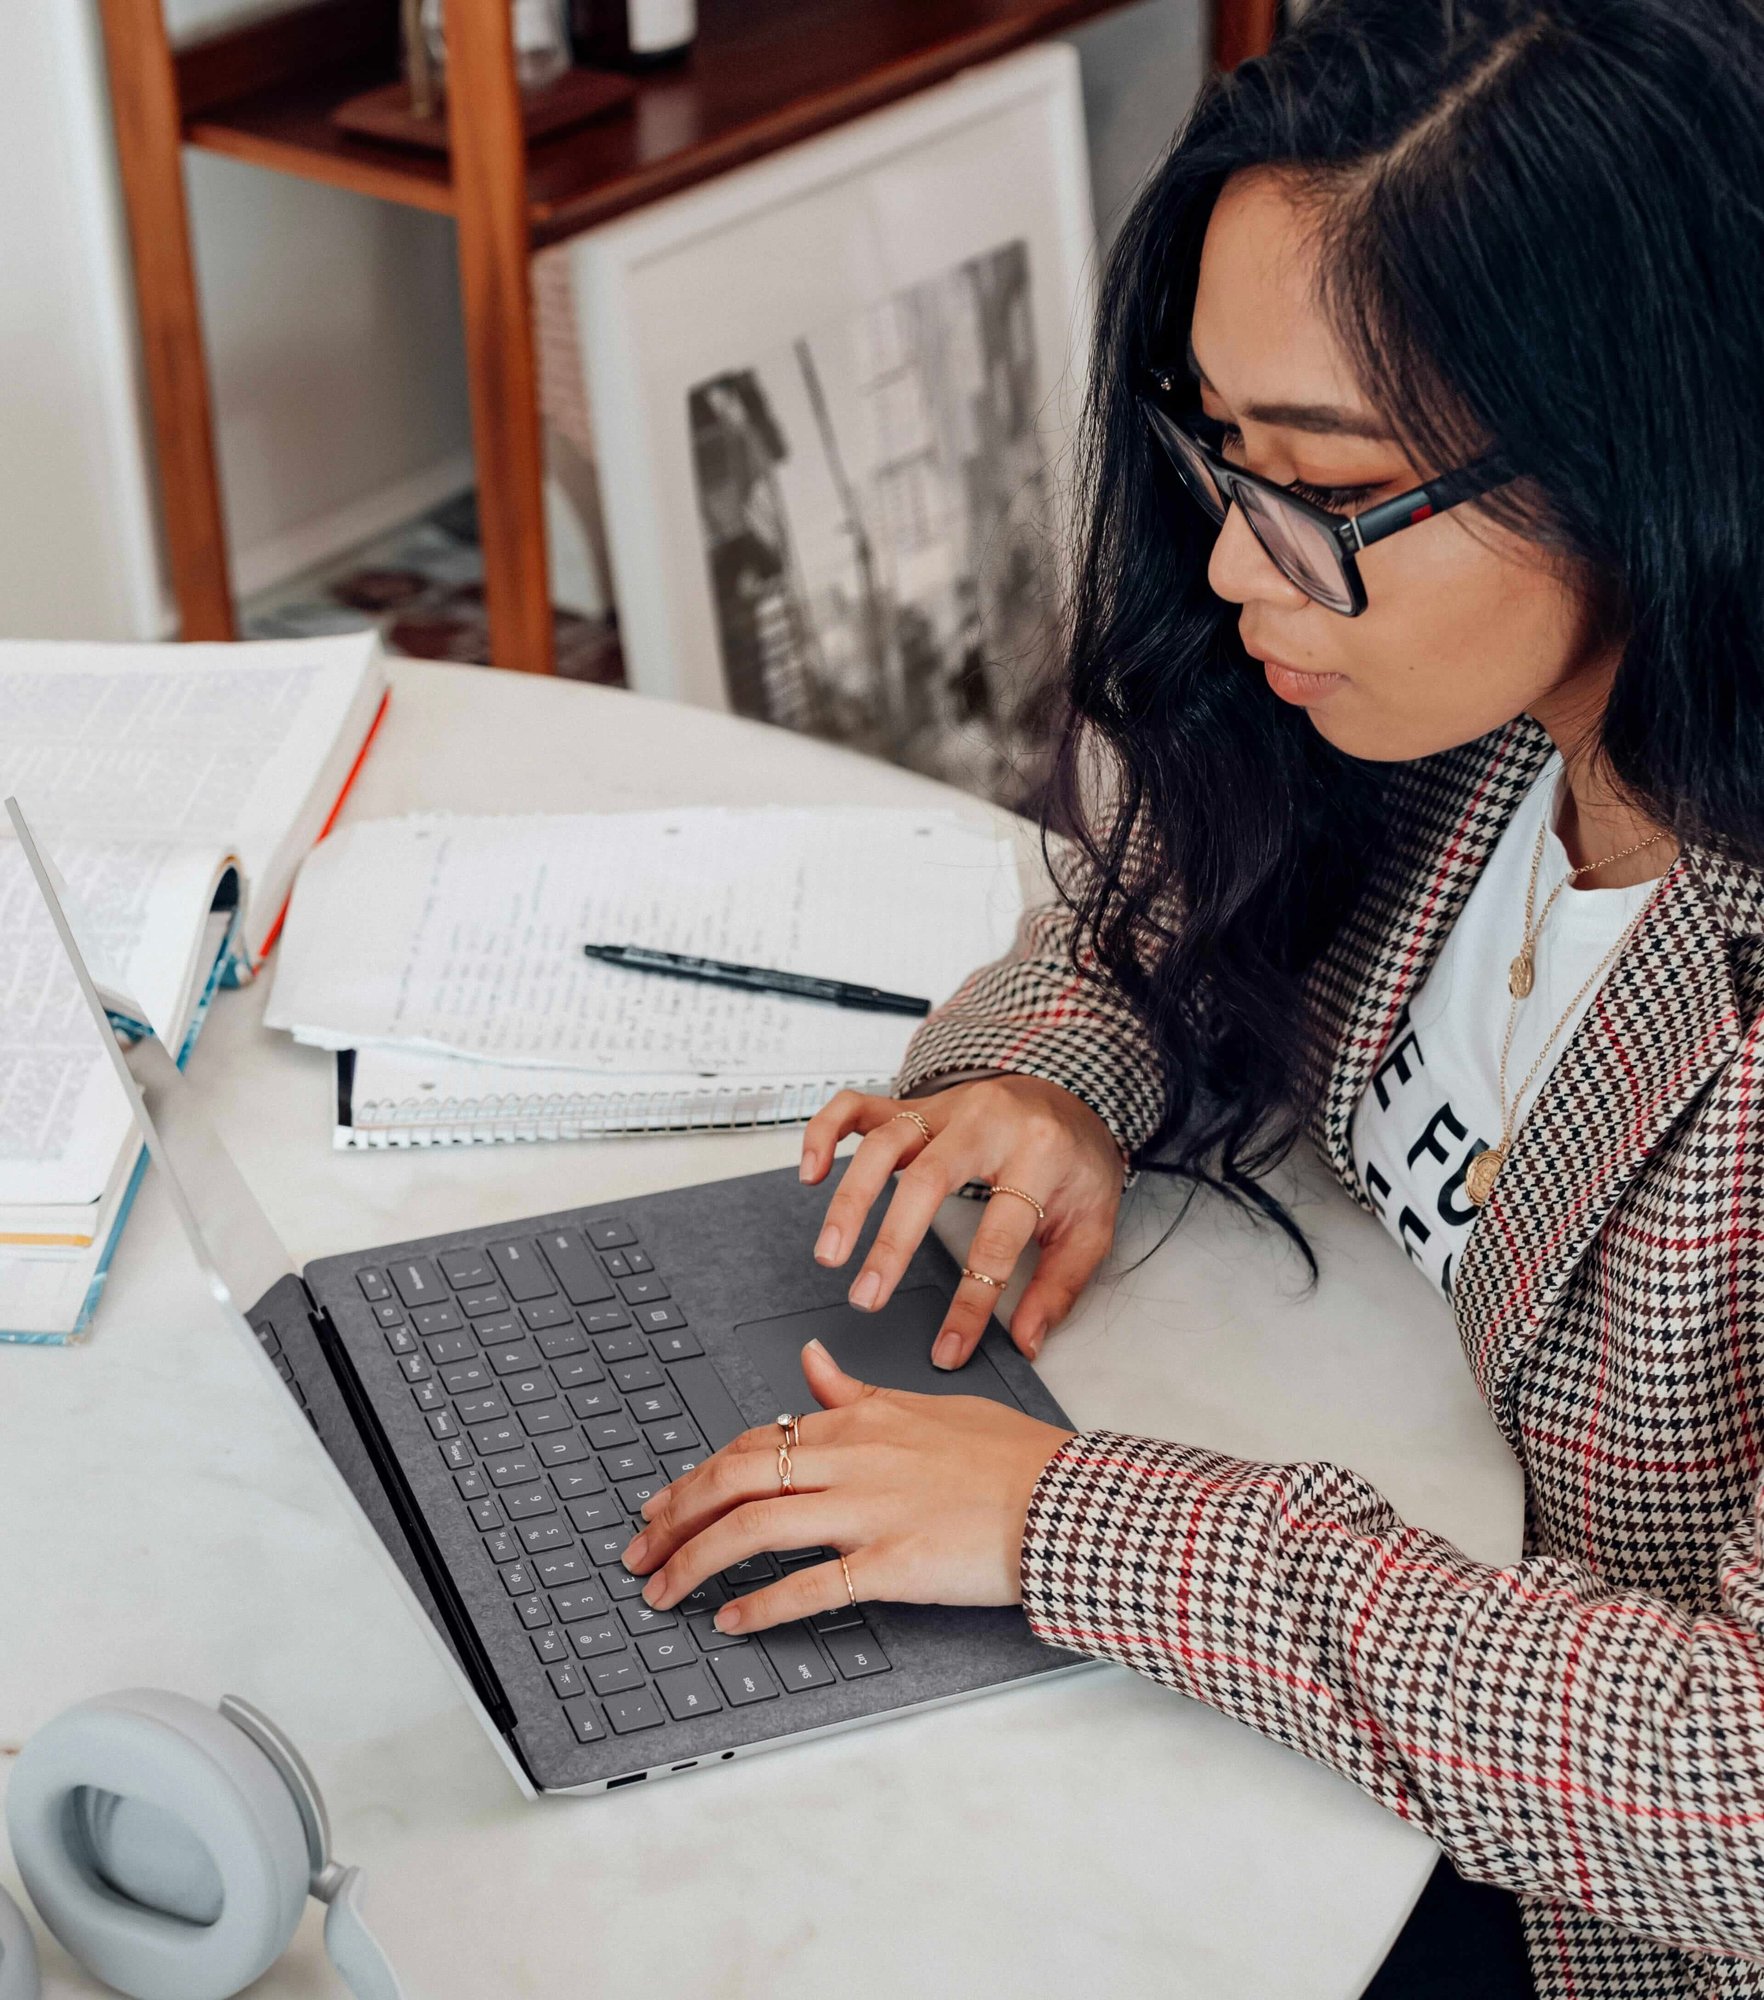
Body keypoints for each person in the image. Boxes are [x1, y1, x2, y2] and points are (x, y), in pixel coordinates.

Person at [621, 1, 1764, 1991]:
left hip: (1555, 1878)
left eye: (1316, 484)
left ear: (1648, 450)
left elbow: (1738, 1797)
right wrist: (1051, 1082)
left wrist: (1075, 1522)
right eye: (1219, 448)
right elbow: (1183, 894)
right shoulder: (1478, 704)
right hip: (1304, 1615)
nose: (1235, 564)